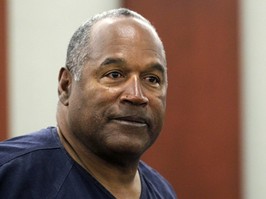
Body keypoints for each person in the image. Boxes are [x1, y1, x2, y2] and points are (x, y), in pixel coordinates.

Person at [0, 8, 177, 199]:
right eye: (114, 75)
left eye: (152, 79)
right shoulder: (10, 176)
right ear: (66, 85)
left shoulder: (162, 192)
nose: (136, 95)